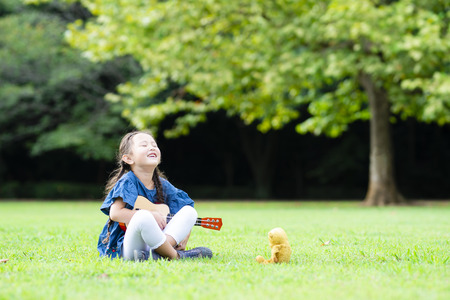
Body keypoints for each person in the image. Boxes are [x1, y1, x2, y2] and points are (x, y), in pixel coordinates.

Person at [97, 130, 212, 261]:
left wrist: (185, 234)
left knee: (189, 211)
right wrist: (151, 215)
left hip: (153, 245)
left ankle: (159, 253)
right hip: (131, 248)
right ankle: (175, 256)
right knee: (143, 216)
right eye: (144, 145)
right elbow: (115, 213)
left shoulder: (162, 185)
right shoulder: (127, 182)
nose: (151, 147)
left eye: (154, 145)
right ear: (128, 158)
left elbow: (183, 208)